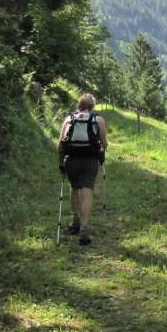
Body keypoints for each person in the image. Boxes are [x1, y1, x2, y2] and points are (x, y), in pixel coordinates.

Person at [57, 93, 108, 245]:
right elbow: (104, 144)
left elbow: (60, 144)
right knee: (87, 193)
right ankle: (84, 229)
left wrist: (61, 163)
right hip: (90, 160)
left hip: (71, 159)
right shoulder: (98, 120)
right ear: (92, 106)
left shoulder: (68, 119)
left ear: (79, 105)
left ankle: (75, 220)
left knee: (74, 187)